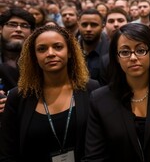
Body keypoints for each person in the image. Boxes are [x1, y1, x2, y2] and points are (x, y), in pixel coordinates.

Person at [84, 23, 150, 161]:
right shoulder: (100, 99)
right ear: (117, 58)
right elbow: (95, 157)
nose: (133, 57)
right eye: (125, 52)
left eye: (140, 50)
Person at [0, 26, 99, 161]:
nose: (50, 53)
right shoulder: (18, 97)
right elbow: (8, 153)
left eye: (58, 47)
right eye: (42, 49)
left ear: (69, 52)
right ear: (34, 56)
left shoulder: (91, 89)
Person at [77, 9, 109, 81]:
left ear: (102, 27)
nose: (88, 29)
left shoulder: (110, 53)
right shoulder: (71, 51)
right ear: (78, 26)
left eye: (94, 25)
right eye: (84, 25)